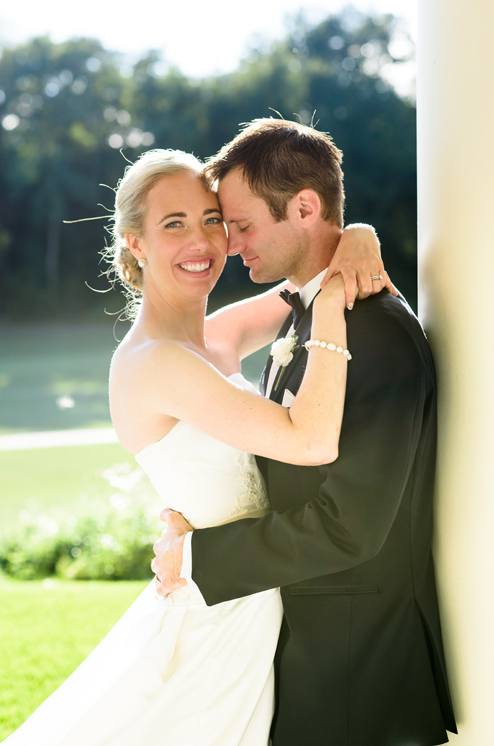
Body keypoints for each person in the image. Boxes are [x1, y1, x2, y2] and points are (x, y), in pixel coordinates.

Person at [2, 146, 389, 745]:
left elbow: (312, 269)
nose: (202, 242)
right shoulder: (155, 363)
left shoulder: (214, 339)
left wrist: (359, 233)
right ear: (136, 242)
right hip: (221, 620)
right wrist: (333, 311)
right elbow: (308, 439)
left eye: (213, 220)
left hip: (254, 595)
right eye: (173, 224)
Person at [153, 119, 456, 745]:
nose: (231, 246)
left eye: (242, 225)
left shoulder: (377, 336)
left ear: (304, 208)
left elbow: (352, 525)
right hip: (311, 650)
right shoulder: (316, 313)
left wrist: (201, 557)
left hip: (355, 669)